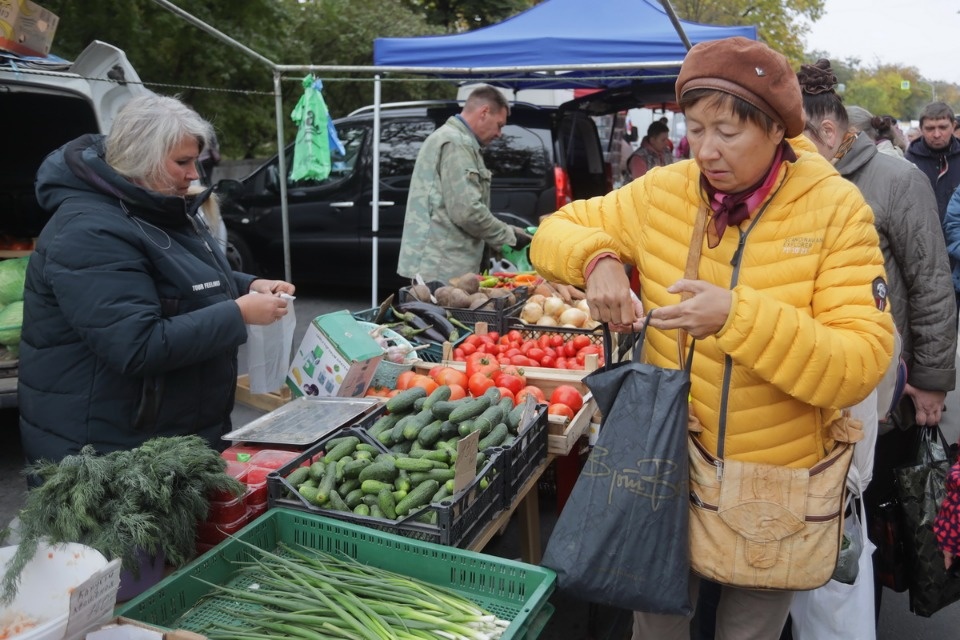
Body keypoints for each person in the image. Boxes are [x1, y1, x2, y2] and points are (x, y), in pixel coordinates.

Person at [529, 37, 894, 640]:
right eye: (695, 129)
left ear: (777, 129)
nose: (706, 150)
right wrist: (597, 260)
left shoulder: (835, 210)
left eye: (727, 131)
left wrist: (737, 318)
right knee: (656, 626)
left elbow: (860, 362)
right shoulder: (663, 192)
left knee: (749, 631)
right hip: (668, 462)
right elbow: (553, 230)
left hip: (774, 483)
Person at [18, 93, 295, 466]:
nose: (195, 174)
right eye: (182, 162)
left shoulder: (154, 202)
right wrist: (238, 313)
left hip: (167, 436)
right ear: (140, 159)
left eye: (195, 160)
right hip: (111, 452)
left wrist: (247, 285)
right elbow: (136, 345)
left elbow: (178, 275)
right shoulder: (88, 232)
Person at [797, 58, 957, 629]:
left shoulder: (897, 182)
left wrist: (931, 381)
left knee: (876, 507)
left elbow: (932, 283)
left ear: (831, 134)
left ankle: (867, 610)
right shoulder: (799, 182)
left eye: (797, 139)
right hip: (813, 387)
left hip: (882, 389)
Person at [397, 85, 531, 283]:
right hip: (442, 269)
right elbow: (467, 211)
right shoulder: (456, 143)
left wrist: (511, 232)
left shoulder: (457, 140)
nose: (499, 133)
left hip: (442, 266)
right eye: (499, 125)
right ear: (484, 112)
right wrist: (509, 237)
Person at [905, 101, 960, 221]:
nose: (936, 134)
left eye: (943, 127)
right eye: (930, 128)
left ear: (953, 126)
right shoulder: (907, 163)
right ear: (921, 129)